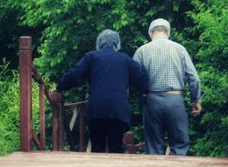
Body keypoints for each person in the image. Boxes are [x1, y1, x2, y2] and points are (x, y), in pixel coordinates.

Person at [50, 29, 147, 153]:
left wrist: (59, 87)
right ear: (117, 44)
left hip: (97, 109)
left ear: (98, 44)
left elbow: (74, 75)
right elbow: (142, 79)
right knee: (116, 146)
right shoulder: (125, 59)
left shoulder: (91, 57)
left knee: (97, 146)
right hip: (118, 110)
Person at [133, 18, 202, 155]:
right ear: (168, 32)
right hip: (175, 101)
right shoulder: (179, 49)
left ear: (150, 33)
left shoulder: (141, 51)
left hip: (152, 101)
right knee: (180, 145)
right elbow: (194, 78)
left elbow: (134, 79)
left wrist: (142, 98)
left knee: (153, 147)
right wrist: (195, 100)